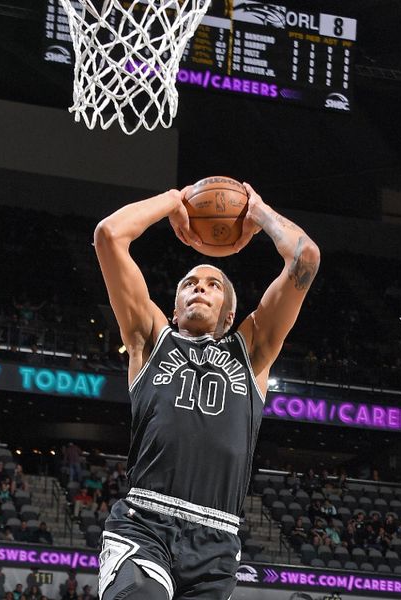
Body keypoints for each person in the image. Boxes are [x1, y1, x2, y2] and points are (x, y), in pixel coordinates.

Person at [93, 182, 319, 600]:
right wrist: (173, 203)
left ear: (231, 313)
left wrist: (259, 212)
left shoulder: (251, 350)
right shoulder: (150, 338)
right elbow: (110, 235)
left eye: (213, 284)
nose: (200, 286)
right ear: (174, 307)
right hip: (145, 525)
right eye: (190, 283)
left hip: (217, 541)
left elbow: (304, 258)